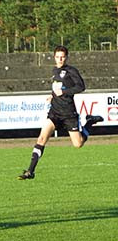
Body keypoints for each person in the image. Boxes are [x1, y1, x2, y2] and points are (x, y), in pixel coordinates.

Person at [18, 45, 104, 180]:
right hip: (55, 112)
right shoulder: (54, 70)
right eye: (58, 57)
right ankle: (30, 171)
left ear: (66, 57)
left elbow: (81, 87)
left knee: (78, 144)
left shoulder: (71, 71)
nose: (60, 59)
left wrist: (63, 92)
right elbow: (57, 87)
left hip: (69, 113)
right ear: (54, 57)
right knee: (41, 139)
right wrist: (52, 96)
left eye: (62, 57)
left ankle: (89, 122)